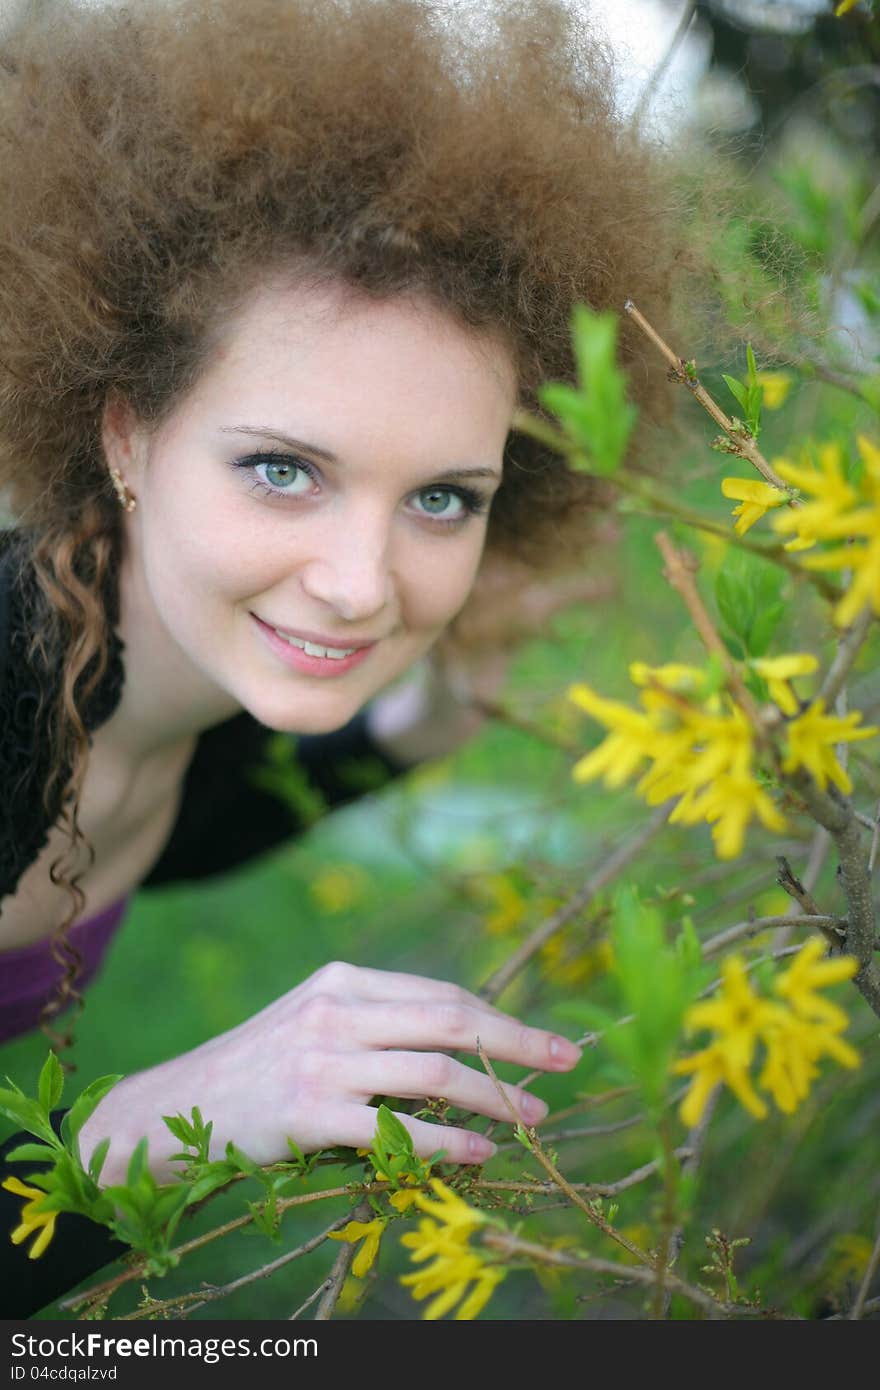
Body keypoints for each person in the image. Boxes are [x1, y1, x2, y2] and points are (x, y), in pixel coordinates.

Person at [0, 0, 675, 1314]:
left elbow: (194, 825)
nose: (364, 585)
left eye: (442, 498)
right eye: (281, 468)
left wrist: (407, 734)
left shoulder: (188, 678)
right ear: (129, 438)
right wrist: (158, 1117)